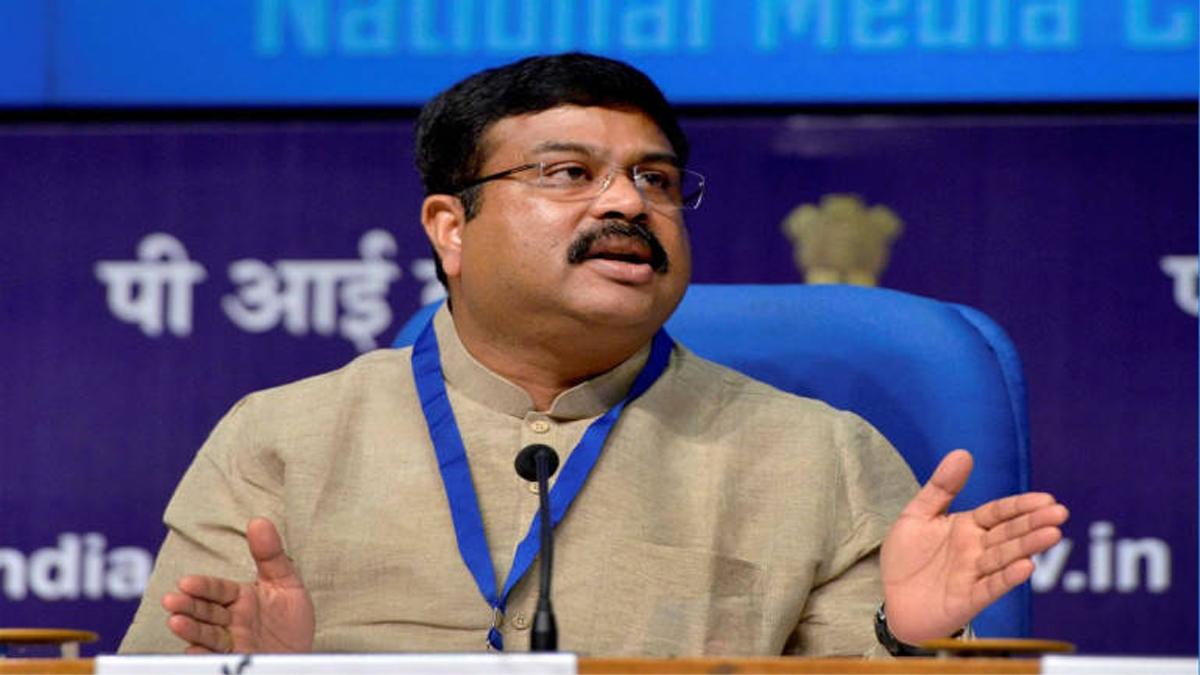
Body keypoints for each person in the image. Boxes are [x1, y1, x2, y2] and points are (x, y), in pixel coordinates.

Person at [119, 53, 1067, 658]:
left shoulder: (821, 455)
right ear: (451, 227)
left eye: (656, 179)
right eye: (569, 173)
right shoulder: (281, 439)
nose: (626, 203)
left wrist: (904, 641)